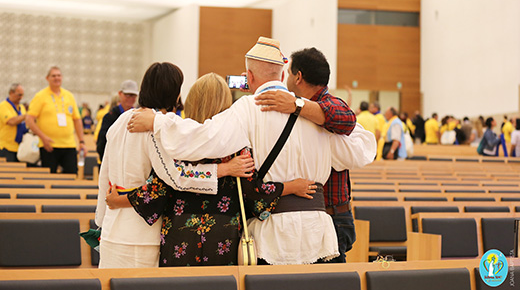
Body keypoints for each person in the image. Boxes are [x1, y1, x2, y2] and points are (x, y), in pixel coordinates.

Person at [129, 36, 376, 265]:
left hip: (275, 231)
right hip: (318, 230)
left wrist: (157, 122)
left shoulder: (248, 107)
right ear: (282, 75)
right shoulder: (315, 112)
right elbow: (363, 150)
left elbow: (203, 138)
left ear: (249, 75)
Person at [107, 72, 315, 266]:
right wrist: (291, 186)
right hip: (223, 234)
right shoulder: (236, 147)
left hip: (179, 233)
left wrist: (119, 199)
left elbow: (160, 188)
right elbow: (255, 194)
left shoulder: (177, 141)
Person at [95, 63, 247, 268]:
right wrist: (224, 169)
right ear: (173, 92)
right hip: (140, 234)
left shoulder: (120, 121)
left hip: (113, 229)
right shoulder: (157, 126)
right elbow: (176, 176)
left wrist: (101, 221)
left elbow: (104, 176)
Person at [254, 47, 359, 263]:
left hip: (332, 215)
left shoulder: (328, 103)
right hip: (308, 216)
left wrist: (296, 105)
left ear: (298, 76)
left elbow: (346, 119)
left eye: (289, 72)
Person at [26, 66, 86, 173]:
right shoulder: (40, 96)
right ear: (47, 78)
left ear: (62, 78)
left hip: (69, 145)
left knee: (72, 176)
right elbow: (29, 119)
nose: (56, 78)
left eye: (59, 75)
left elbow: (77, 120)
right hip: (49, 145)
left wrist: (81, 141)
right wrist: (43, 138)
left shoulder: (69, 96)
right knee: (49, 179)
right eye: (53, 76)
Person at [96, 80, 139, 162]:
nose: (130, 98)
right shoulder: (109, 117)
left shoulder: (139, 117)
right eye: (127, 95)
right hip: (113, 162)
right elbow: (102, 143)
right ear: (120, 94)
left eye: (133, 95)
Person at [0, 84, 27, 162]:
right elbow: (11, 121)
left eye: (22, 95)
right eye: (19, 95)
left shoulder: (21, 107)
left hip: (19, 148)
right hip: (6, 147)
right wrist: (27, 115)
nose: (21, 97)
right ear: (11, 93)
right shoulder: (3, 106)